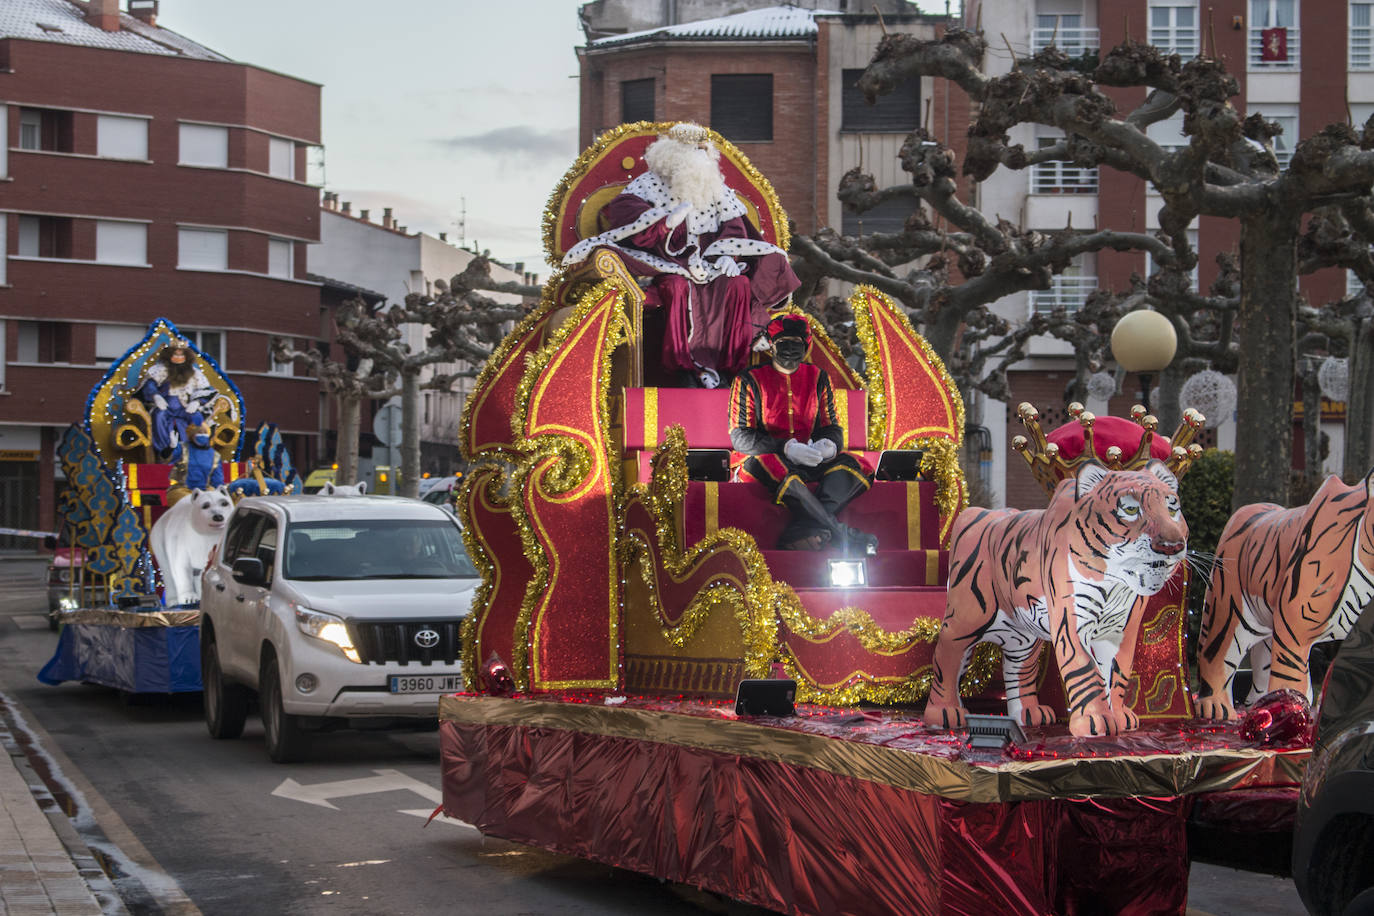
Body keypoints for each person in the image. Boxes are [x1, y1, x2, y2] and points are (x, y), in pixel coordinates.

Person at [561, 122, 800, 388]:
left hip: (713, 267)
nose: (700, 157)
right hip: (669, 265)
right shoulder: (649, 185)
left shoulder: (717, 189)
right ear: (673, 155)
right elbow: (626, 218)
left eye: (703, 150)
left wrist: (728, 258)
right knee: (677, 286)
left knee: (739, 284)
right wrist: (664, 222)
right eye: (693, 151)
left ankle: (730, 370)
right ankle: (683, 370)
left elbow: (735, 228)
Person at [728, 315, 878, 553]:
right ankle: (842, 533)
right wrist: (785, 447)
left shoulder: (818, 378)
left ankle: (802, 529)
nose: (790, 348)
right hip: (763, 460)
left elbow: (832, 427)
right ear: (771, 344)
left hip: (809, 457)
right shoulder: (749, 379)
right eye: (783, 341)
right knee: (770, 464)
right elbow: (740, 437)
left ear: (806, 344)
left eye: (796, 342)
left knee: (855, 464)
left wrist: (828, 445)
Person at [137, 340, 216, 462]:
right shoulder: (159, 370)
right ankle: (166, 451)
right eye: (176, 355)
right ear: (169, 356)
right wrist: (156, 396)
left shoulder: (195, 374)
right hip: (166, 405)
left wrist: (197, 401)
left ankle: (197, 450)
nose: (179, 358)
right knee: (159, 416)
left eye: (181, 355)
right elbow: (149, 386)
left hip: (185, 406)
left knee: (197, 417)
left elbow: (205, 390)